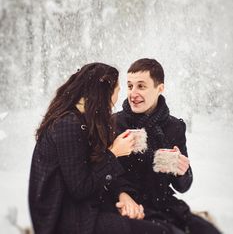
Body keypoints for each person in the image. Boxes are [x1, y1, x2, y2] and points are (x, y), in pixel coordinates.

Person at [28, 62, 174, 234]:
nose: (119, 96)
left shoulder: (84, 120)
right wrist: (113, 153)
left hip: (82, 208)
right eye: (119, 89)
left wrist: (122, 194)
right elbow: (80, 188)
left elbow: (95, 168)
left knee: (157, 224)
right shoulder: (68, 125)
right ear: (104, 92)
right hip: (64, 218)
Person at [116, 58, 222, 234]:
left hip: (166, 204)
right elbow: (106, 173)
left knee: (208, 231)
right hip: (134, 206)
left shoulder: (174, 127)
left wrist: (182, 171)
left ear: (160, 89)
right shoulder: (115, 123)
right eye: (130, 86)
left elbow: (183, 186)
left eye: (141, 86)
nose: (133, 93)